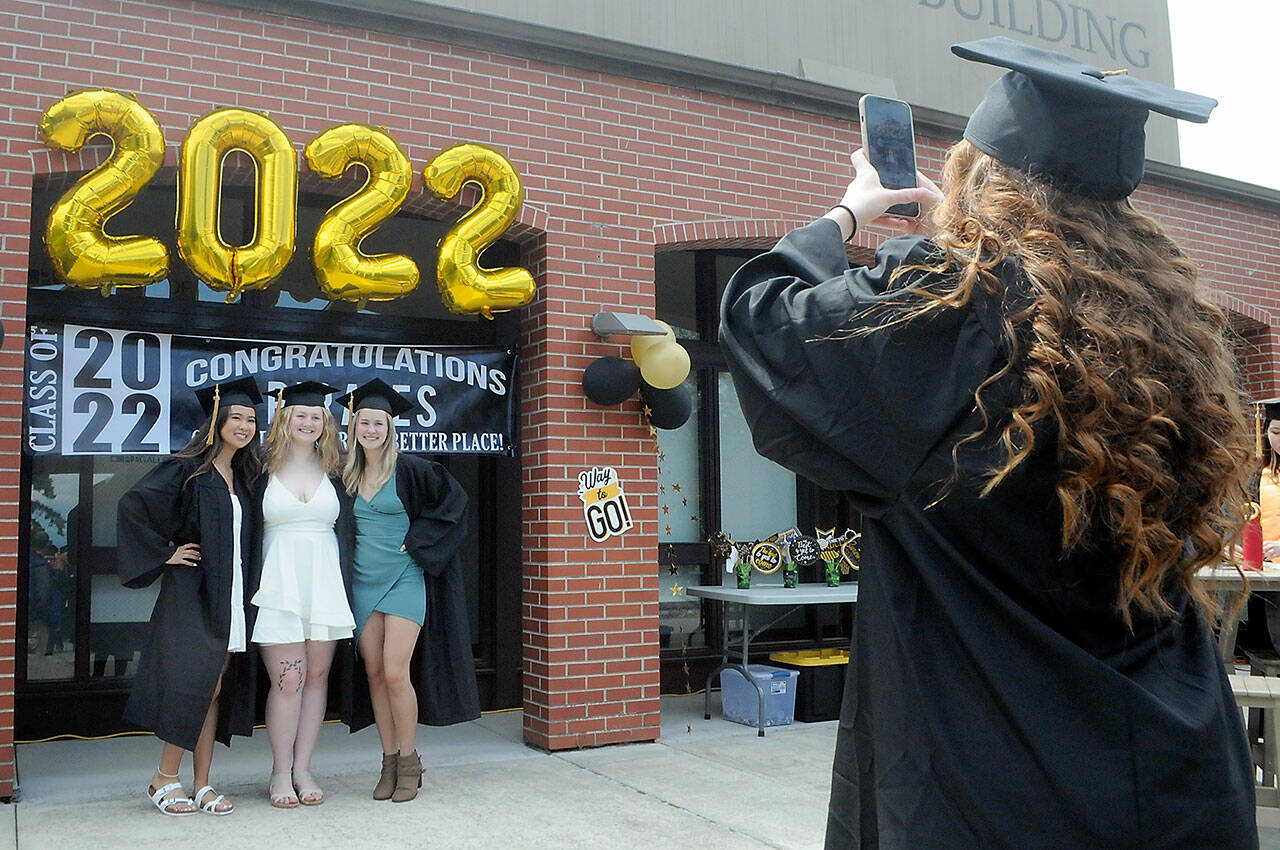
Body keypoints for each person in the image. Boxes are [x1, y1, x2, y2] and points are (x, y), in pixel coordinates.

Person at [719, 37, 1257, 849]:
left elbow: (763, 323)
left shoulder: (950, 316)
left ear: (982, 177)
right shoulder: (1168, 338)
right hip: (1177, 772)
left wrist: (852, 212)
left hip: (993, 788)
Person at [116, 376, 264, 816]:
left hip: (231, 592)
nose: (244, 425)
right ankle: (164, 776)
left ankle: (201, 783)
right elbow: (133, 504)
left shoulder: (243, 476)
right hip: (193, 591)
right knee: (193, 681)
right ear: (217, 420)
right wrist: (167, 553)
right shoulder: (188, 468)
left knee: (215, 685)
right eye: (236, 417)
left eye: (252, 419)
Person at [334, 378, 478, 803]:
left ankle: (411, 761)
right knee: (375, 674)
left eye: (378, 423)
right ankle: (388, 760)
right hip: (362, 581)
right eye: (364, 423)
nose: (371, 430)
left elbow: (454, 504)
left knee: (396, 672)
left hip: (404, 577)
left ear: (389, 427)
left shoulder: (412, 468)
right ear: (354, 427)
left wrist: (419, 539)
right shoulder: (346, 472)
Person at [250, 380, 355, 808]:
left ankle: (304, 767)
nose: (308, 422)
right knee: (287, 679)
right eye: (300, 415)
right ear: (284, 418)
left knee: (315, 677)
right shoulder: (258, 466)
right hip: (279, 585)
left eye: (316, 416)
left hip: (325, 583)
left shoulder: (338, 467)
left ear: (325, 422)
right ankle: (279, 770)